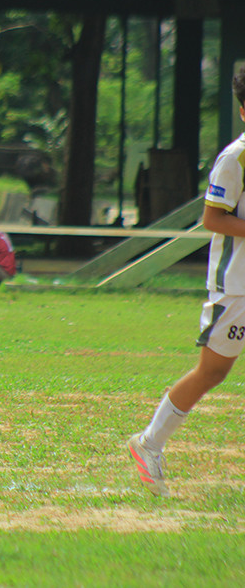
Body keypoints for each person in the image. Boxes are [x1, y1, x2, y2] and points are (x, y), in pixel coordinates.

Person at [127, 66, 245, 498]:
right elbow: (212, 218)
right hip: (236, 286)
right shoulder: (235, 158)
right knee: (213, 371)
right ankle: (149, 443)